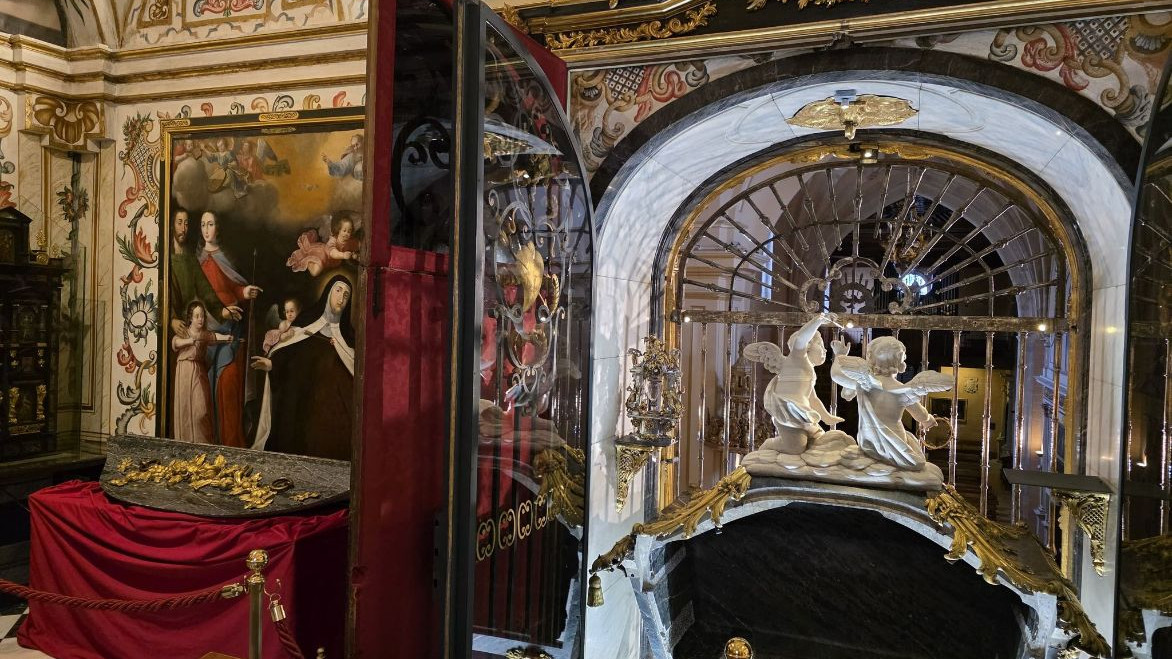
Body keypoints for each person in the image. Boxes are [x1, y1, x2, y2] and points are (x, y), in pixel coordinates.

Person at [250, 275, 355, 461]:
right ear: (328, 293)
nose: (341, 298)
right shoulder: (307, 324)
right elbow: (290, 353)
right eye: (338, 291)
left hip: (333, 414)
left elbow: (355, 371)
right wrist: (272, 363)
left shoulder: (349, 338)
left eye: (346, 295)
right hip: (304, 407)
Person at [830, 336, 952, 471]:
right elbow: (920, 414)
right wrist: (928, 420)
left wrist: (839, 355)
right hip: (896, 443)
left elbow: (836, 375)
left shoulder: (864, 383)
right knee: (913, 447)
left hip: (869, 443)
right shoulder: (903, 391)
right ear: (900, 363)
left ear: (871, 359)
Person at [197, 211, 262, 447]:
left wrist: (246, 292)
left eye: (211, 224)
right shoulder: (197, 261)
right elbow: (197, 297)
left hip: (231, 329)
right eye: (203, 224)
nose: (206, 229)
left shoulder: (224, 258)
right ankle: (212, 442)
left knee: (228, 382)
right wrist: (219, 311)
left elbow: (234, 287)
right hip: (207, 328)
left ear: (218, 227)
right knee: (206, 389)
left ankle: (232, 443)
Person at [742, 312, 843, 454]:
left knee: (820, 445)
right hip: (788, 413)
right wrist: (819, 320)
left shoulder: (809, 370)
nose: (825, 350)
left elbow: (812, 398)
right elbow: (801, 338)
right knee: (796, 448)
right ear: (807, 346)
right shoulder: (797, 358)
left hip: (805, 414)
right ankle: (768, 445)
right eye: (820, 345)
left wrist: (827, 417)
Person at [171, 301, 233, 444]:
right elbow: (175, 343)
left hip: (199, 371)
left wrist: (226, 338)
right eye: (197, 316)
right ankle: (187, 443)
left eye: (202, 316)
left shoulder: (204, 334)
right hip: (184, 371)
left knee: (201, 411)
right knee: (185, 410)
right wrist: (189, 341)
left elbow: (214, 336)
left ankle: (202, 443)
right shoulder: (184, 331)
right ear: (190, 318)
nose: (200, 319)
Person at [168, 207, 230, 334]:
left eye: (186, 224)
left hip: (190, 323)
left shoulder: (191, 259)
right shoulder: (166, 258)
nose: (183, 229)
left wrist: (221, 311)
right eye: (179, 223)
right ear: (172, 225)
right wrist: (171, 320)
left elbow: (205, 289)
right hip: (172, 327)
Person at [286, 212, 360, 276]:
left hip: (331, 262)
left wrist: (355, 255)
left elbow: (358, 245)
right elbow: (332, 253)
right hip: (322, 254)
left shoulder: (350, 241)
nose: (347, 233)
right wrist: (343, 255)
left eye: (349, 231)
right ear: (339, 230)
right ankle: (307, 259)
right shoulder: (333, 240)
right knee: (315, 272)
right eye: (344, 230)